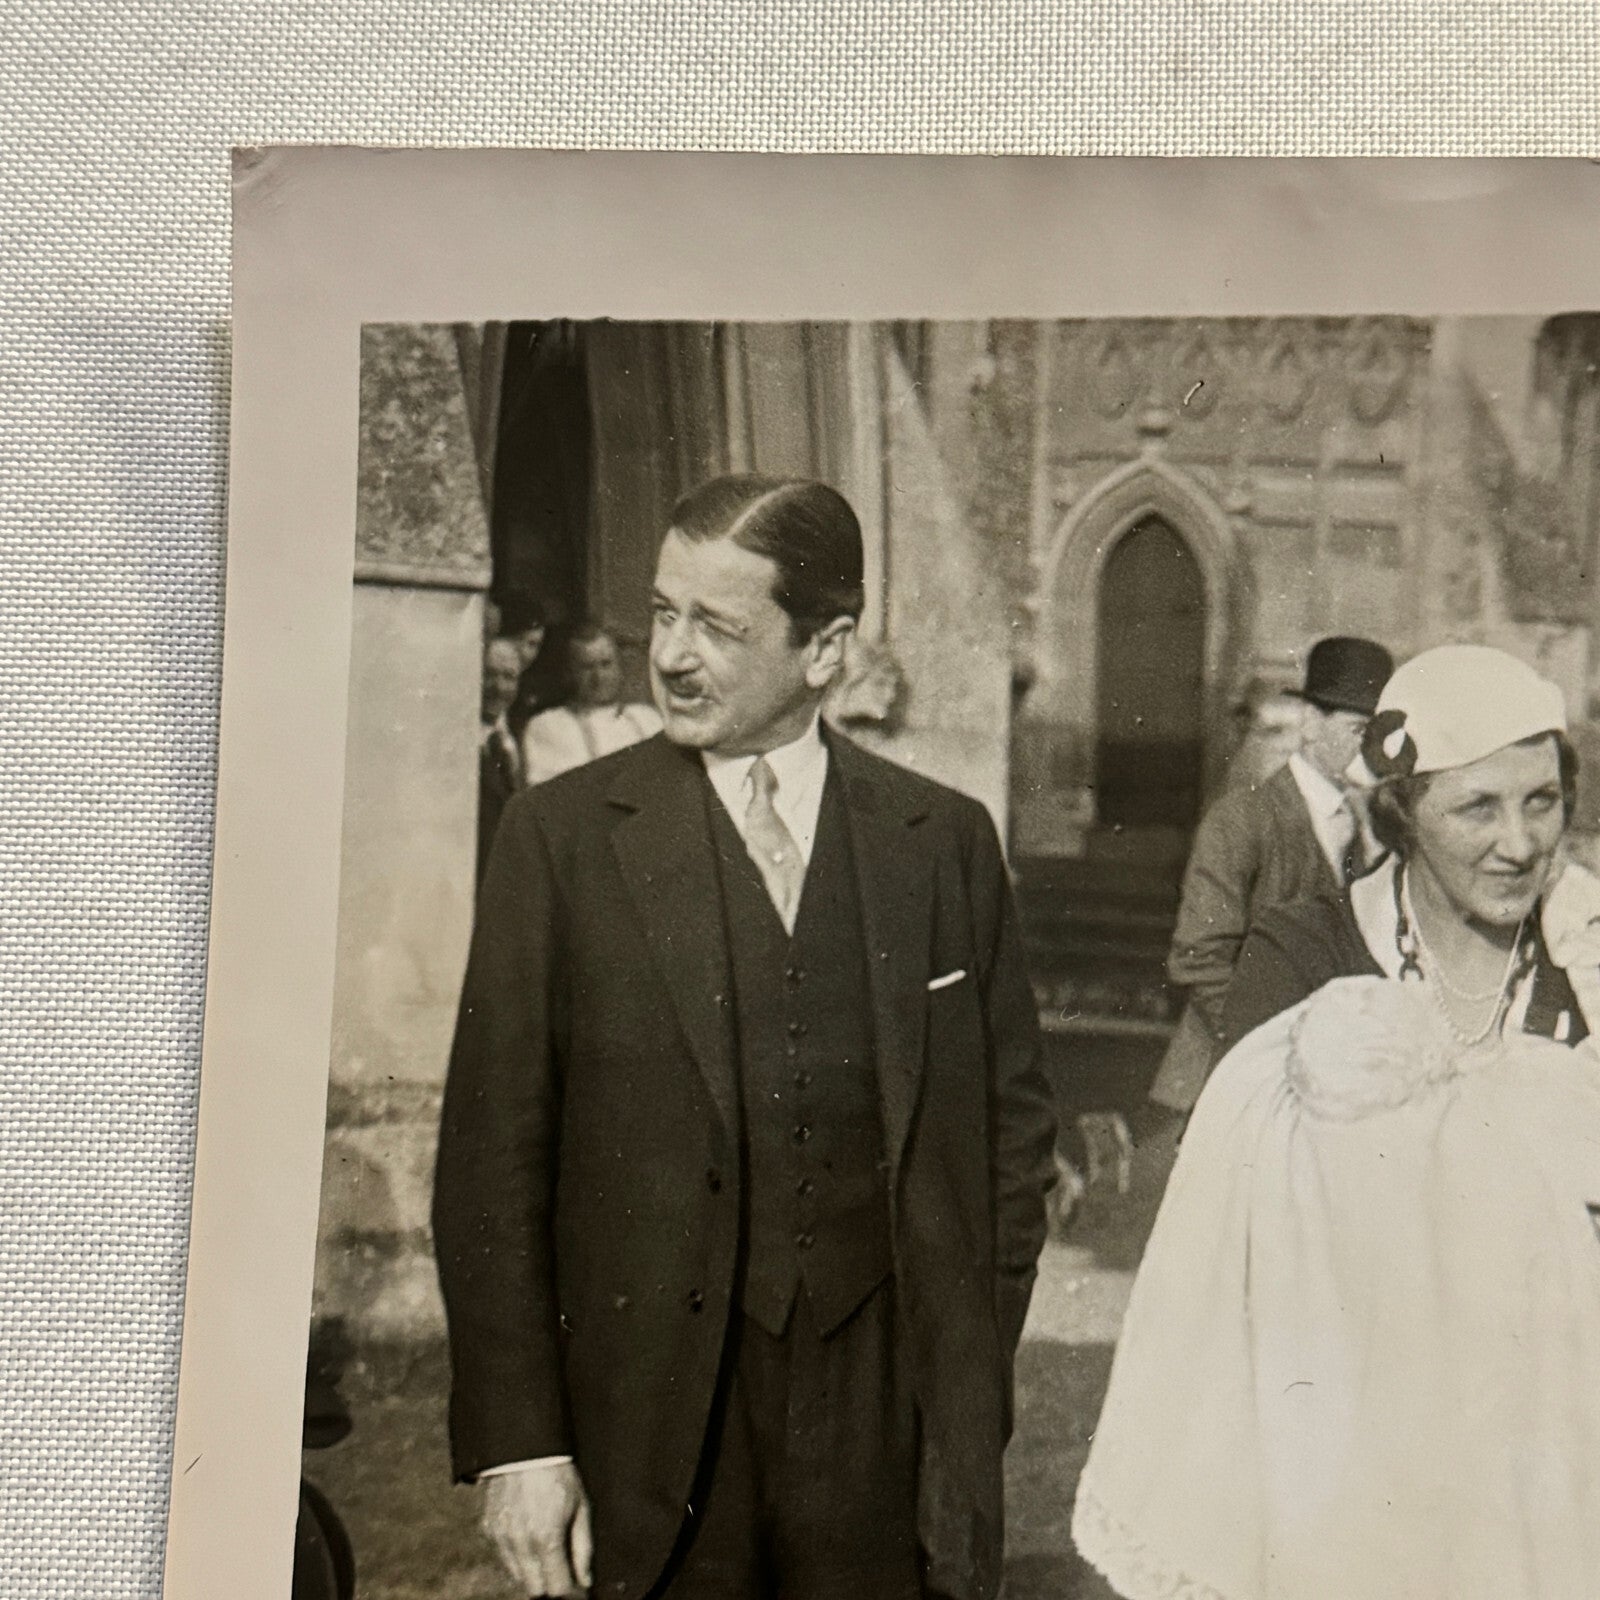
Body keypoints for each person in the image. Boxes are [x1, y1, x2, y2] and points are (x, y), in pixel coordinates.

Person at [433, 474, 1058, 1600]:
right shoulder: (560, 841)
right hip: (650, 1422)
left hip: (881, 1422)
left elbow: (1011, 1144)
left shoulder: (943, 843)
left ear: (824, 650)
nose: (669, 654)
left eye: (716, 626)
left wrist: (961, 1378)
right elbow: (490, 1167)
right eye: (664, 612)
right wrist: (522, 1443)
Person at [1072, 644, 1600, 1600]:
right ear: (1399, 812)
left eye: (1542, 801)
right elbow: (1247, 1226)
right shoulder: (1307, 952)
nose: (1520, 843)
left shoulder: (1585, 955)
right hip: (1355, 1446)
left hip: (1551, 1448)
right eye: (1477, 807)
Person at [1145, 635, 1394, 1118]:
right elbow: (1198, 957)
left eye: (1376, 737)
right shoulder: (1243, 820)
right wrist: (1281, 1049)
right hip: (1230, 1080)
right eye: (1356, 730)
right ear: (1309, 723)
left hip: (1333, 1091)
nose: (1369, 752)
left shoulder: (1370, 830)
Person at [519, 623, 664, 785]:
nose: (598, 677)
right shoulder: (549, 725)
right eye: (587, 667)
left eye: (606, 664)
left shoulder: (649, 719)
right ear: (570, 673)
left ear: (620, 667)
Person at [477, 637, 524, 887]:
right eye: (490, 674)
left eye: (509, 677)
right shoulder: (456, 740)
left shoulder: (520, 734)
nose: (499, 687)